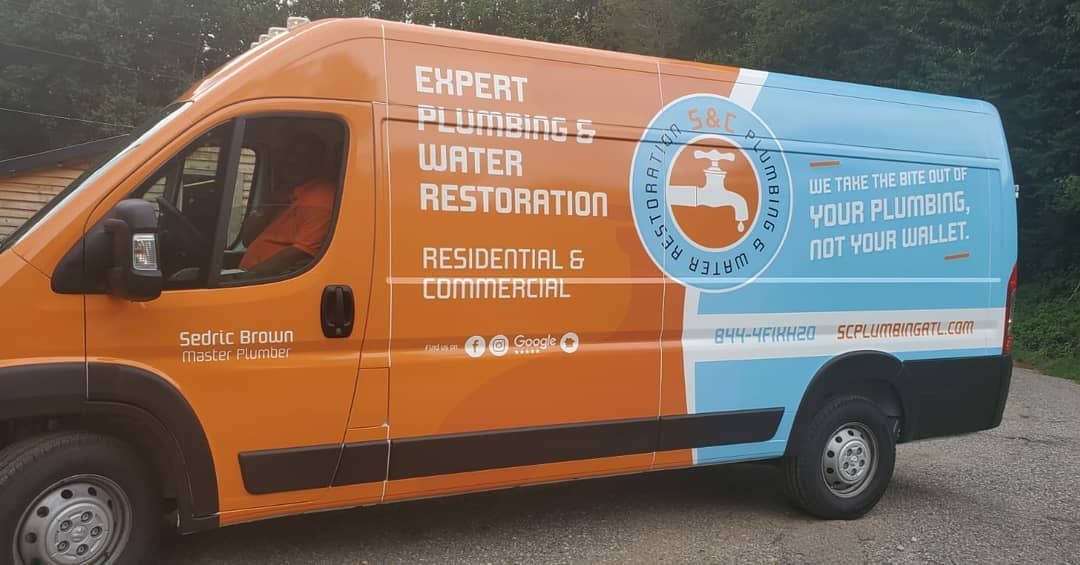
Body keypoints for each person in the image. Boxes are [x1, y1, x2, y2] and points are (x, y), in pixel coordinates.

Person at [239, 132, 337, 275]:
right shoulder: (288, 191)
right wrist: (268, 205)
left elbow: (298, 254)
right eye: (288, 155)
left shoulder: (321, 199)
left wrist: (244, 278)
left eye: (302, 157)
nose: (292, 161)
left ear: (317, 162)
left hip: (267, 282)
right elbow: (248, 239)